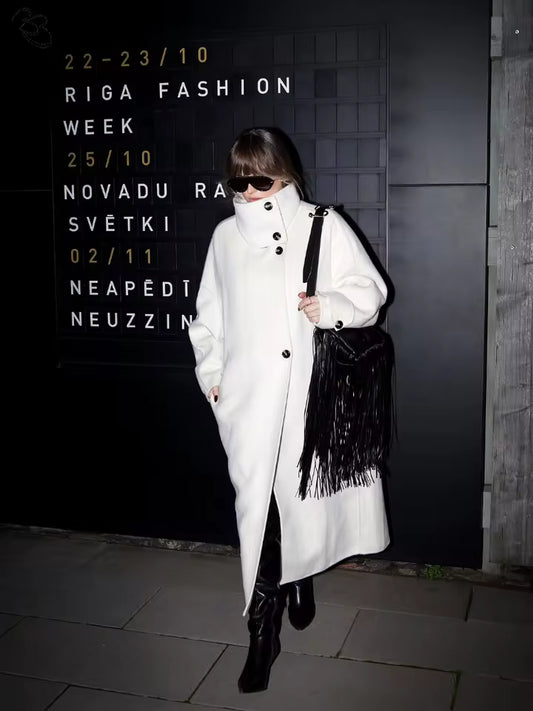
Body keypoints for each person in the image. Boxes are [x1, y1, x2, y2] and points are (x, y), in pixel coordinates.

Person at [188, 126, 390, 693]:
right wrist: (214, 380)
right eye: (238, 182)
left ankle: (283, 601)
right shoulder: (225, 238)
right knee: (259, 516)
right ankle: (264, 630)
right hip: (249, 406)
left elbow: (372, 293)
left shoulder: (321, 224)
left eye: (260, 179)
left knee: (288, 509)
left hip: (308, 402)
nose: (249, 192)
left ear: (284, 174)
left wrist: (330, 305)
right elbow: (208, 319)